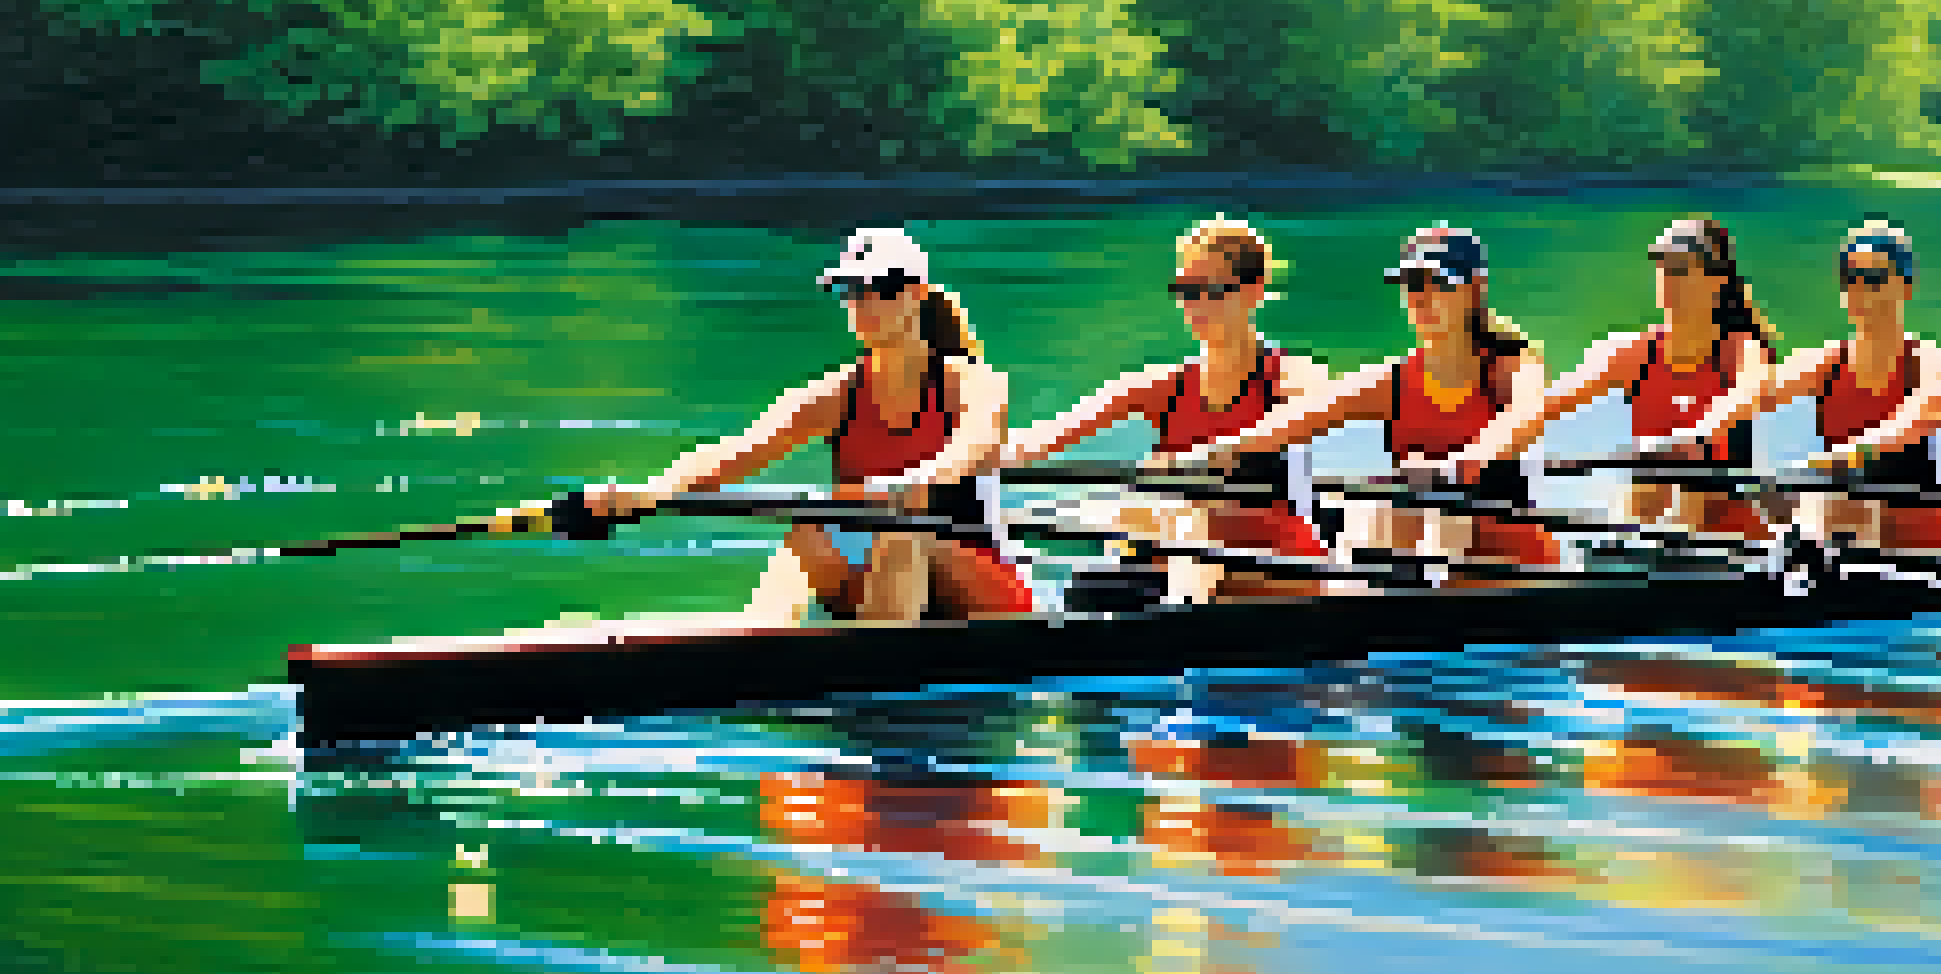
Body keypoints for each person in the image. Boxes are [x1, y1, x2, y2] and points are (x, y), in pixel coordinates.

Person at [583, 227, 1032, 622]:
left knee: (901, 531)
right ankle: (753, 651)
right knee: (808, 535)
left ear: (916, 293)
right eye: (850, 290)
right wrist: (648, 493)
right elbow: (737, 455)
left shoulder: (973, 383)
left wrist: (921, 480)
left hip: (982, 587)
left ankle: (873, 689)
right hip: (885, 577)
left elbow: (972, 447)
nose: (863, 302)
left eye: (880, 288)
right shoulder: (836, 395)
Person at [1176, 225, 1559, 584]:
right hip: (1435, 557)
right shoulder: (1390, 381)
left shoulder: (1512, 365)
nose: (1421, 298)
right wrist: (1213, 454)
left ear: (1474, 291)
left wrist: (1462, 464)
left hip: (1513, 564)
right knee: (1376, 514)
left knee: (1408, 513)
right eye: (1411, 286)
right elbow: (1289, 425)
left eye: (1437, 285)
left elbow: (1524, 419)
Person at [1001, 220, 1331, 603]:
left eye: (1214, 290)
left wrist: (1203, 459)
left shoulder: (1292, 376)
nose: (1198, 306)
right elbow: (1046, 438)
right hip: (1178, 558)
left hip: (1271, 562)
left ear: (1254, 291)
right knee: (1101, 556)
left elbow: (1306, 414)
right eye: (1188, 291)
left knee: (1167, 512)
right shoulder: (1161, 386)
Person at [1660, 221, 1941, 549]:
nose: (1861, 289)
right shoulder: (1826, 362)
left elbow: (1918, 416)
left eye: (1875, 278)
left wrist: (1850, 454)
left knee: (1832, 501)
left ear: (1905, 287)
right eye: (1851, 278)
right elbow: (1754, 394)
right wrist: (1694, 436)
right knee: (1703, 497)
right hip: (1845, 520)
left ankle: (1800, 565)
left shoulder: (1929, 362)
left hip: (1920, 532)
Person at [1463, 218, 1778, 536]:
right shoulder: (1632, 353)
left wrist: (1695, 437)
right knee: (1647, 488)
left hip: (1730, 537)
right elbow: (1539, 409)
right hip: (1655, 520)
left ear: (1718, 281)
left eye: (1682, 271)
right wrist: (1470, 457)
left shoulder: (1742, 351)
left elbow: (1750, 392)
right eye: (1664, 270)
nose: (1670, 282)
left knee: (1685, 486)